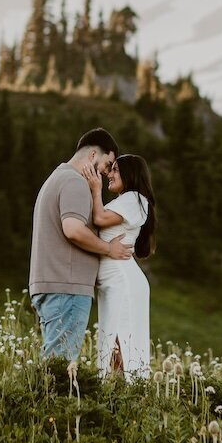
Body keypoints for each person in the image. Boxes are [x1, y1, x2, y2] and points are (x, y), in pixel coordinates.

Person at [29, 129, 134, 369]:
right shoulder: (74, 182)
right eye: (107, 164)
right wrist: (108, 248)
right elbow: (73, 229)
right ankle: (53, 406)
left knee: (54, 362)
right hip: (66, 287)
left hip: (54, 285)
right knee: (60, 367)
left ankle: (46, 402)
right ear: (93, 154)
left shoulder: (57, 177)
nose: (106, 173)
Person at [81, 153, 158, 380]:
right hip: (113, 281)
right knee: (112, 340)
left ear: (130, 173)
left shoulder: (135, 198)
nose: (109, 175)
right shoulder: (125, 200)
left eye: (115, 170)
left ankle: (127, 397)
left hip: (121, 280)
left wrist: (95, 190)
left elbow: (101, 219)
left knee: (121, 339)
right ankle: (118, 397)